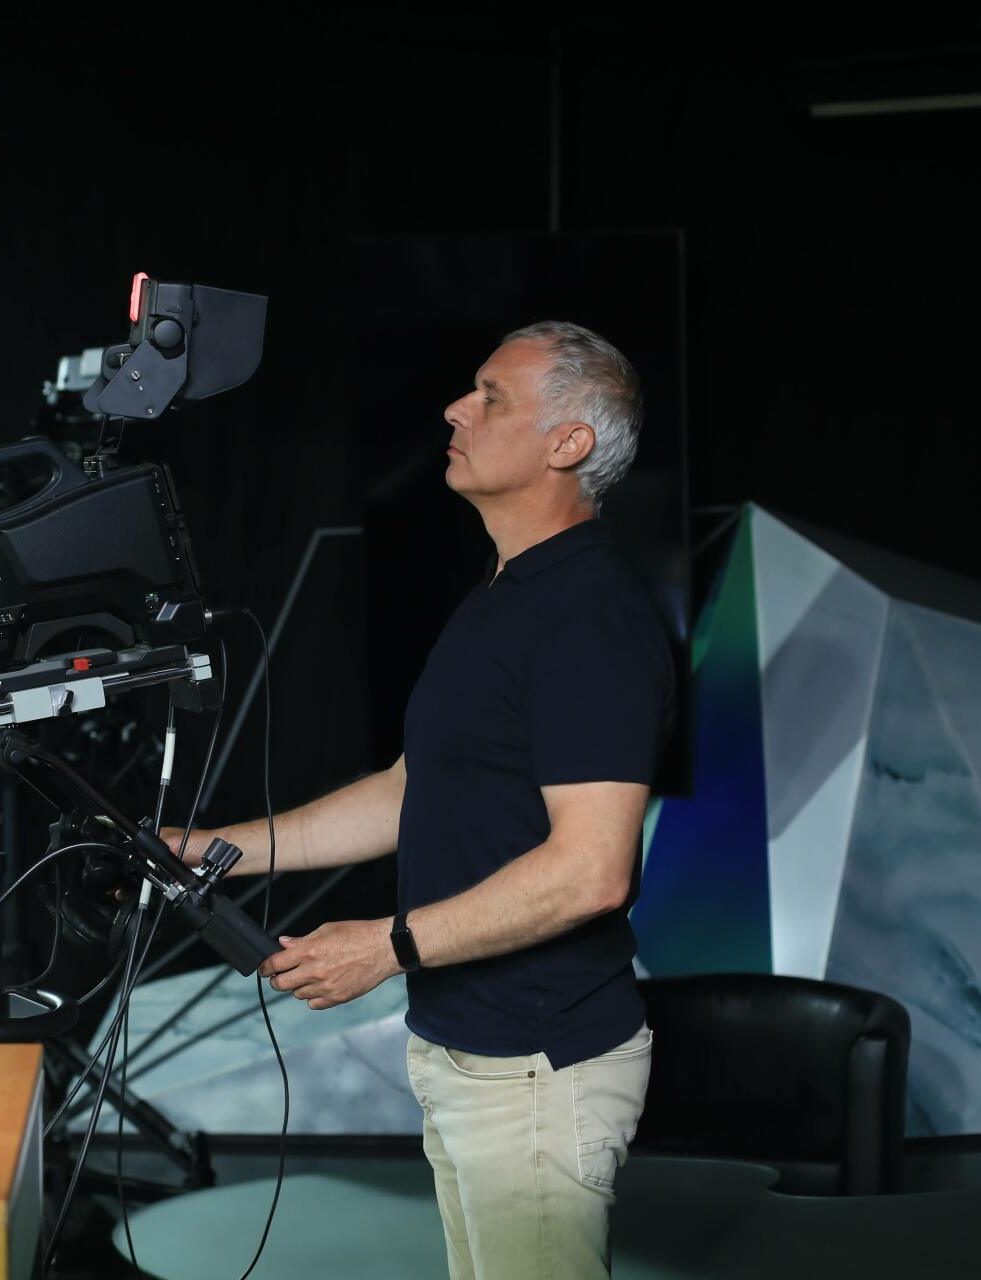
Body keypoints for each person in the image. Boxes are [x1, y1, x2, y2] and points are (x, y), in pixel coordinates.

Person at [171, 321, 675, 1278]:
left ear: (568, 443)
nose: (455, 409)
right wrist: (209, 846)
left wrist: (385, 946)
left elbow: (592, 871)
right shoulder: (505, 592)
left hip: (536, 1065)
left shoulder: (588, 618)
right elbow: (411, 790)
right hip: (465, 1050)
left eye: (491, 397)